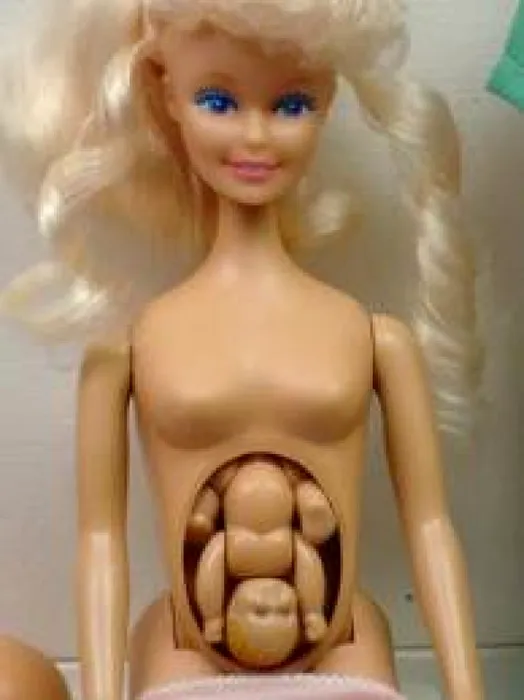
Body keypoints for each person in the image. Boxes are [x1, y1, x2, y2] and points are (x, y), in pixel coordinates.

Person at [0, 1, 484, 699]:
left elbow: (431, 526)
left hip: (338, 641)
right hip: (190, 647)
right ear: (167, 93)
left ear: (328, 100)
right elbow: (100, 542)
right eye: (219, 101)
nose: (256, 137)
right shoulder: (125, 350)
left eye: (291, 104)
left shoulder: (375, 338)